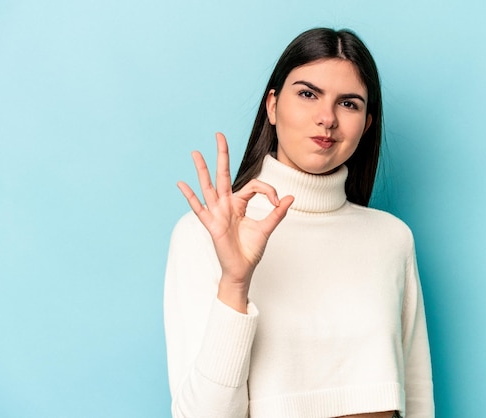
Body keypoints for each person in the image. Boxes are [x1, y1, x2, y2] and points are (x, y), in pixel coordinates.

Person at [164, 27, 434, 418]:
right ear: (272, 106)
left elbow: (417, 397)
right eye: (308, 94)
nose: (327, 118)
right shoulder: (203, 236)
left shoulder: (391, 239)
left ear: (367, 123)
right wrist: (235, 283)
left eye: (349, 104)